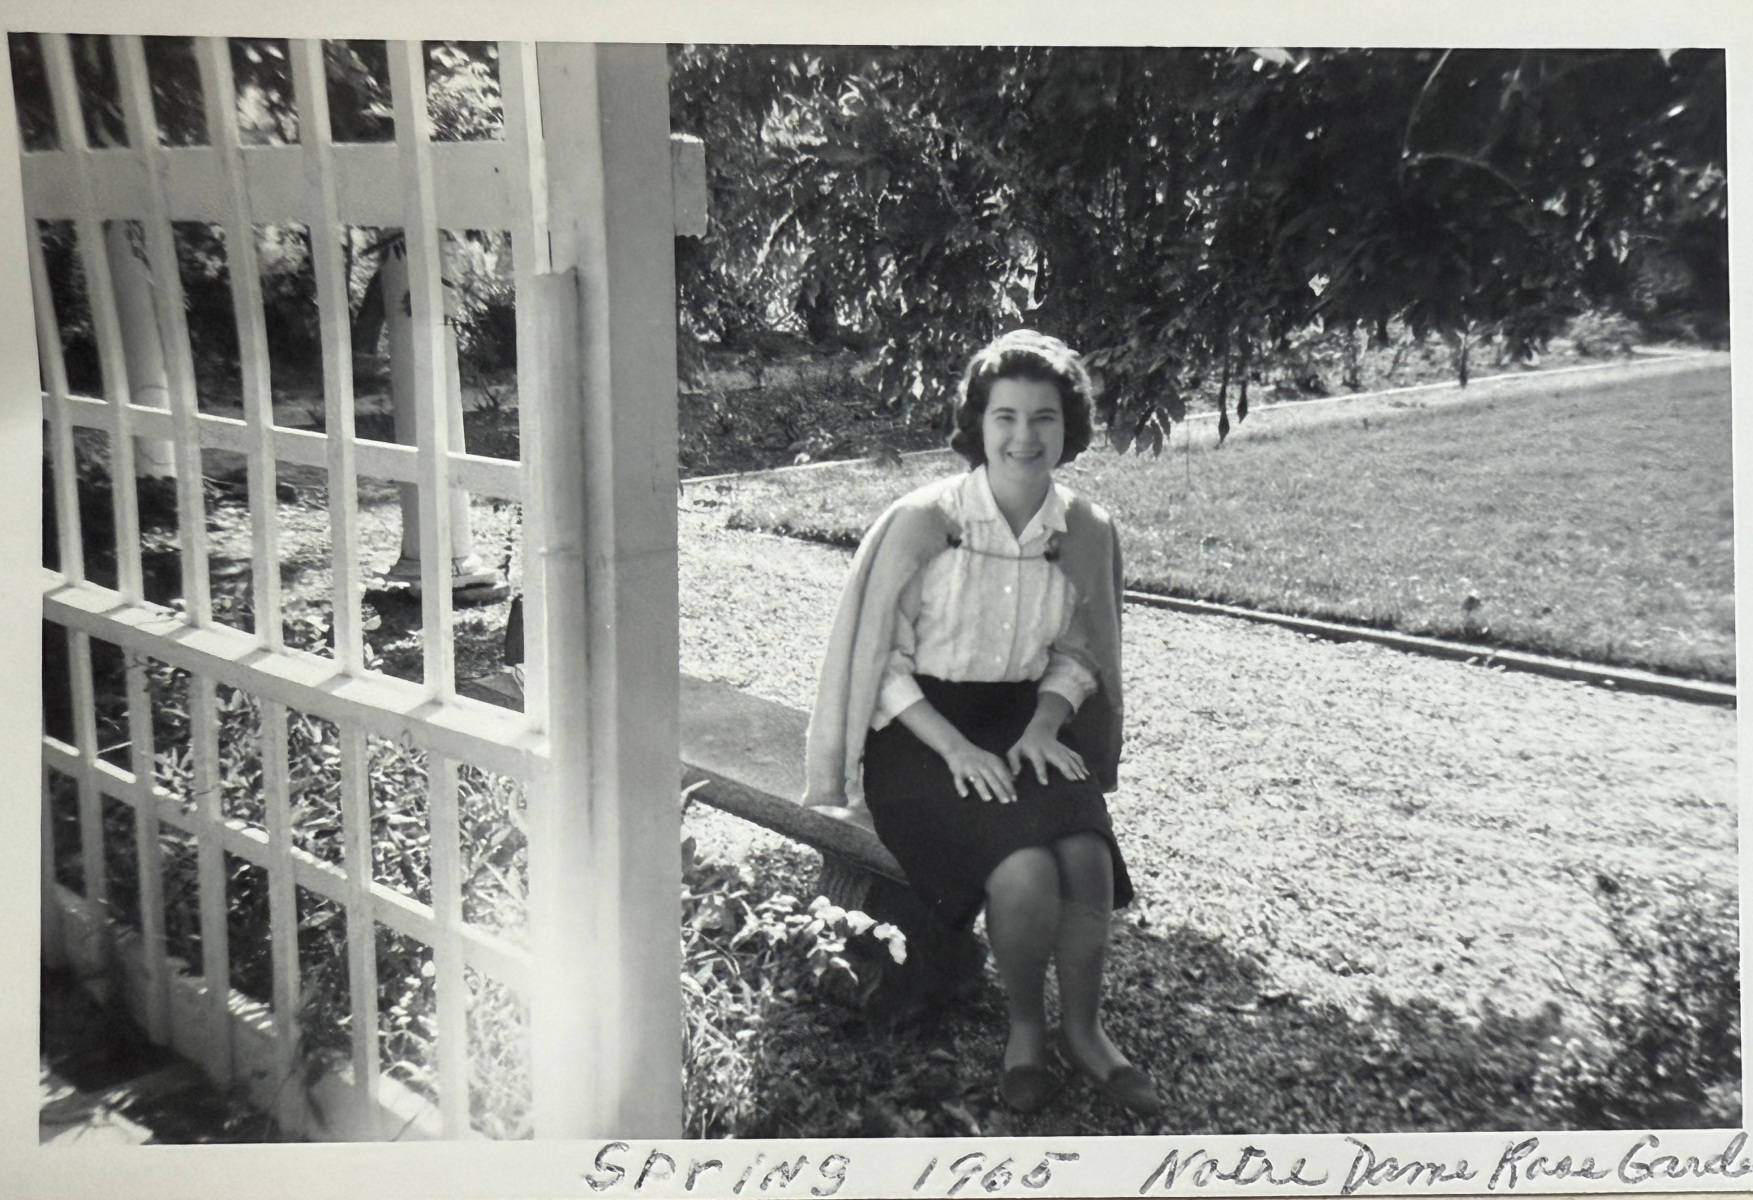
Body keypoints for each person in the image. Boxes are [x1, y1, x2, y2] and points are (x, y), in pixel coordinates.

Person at [803, 329, 1159, 1115]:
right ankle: (1025, 1033)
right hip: (917, 732)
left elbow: (1080, 649)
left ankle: (1086, 1033)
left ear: (1068, 427)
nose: (1023, 436)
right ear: (978, 423)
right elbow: (878, 663)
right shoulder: (924, 522)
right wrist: (956, 746)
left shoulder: (1084, 529)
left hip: (1024, 720)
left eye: (1043, 417)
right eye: (1005, 416)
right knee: (1023, 870)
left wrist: (1045, 725)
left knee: (1086, 857)